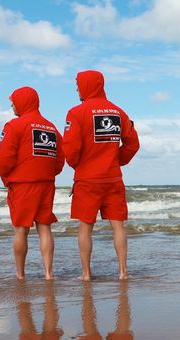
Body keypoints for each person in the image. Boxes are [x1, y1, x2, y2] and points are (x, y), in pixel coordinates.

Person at [63, 70, 139, 281]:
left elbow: (70, 149)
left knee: (85, 227)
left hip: (87, 180)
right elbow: (133, 143)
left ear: (86, 85)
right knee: (118, 226)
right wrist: (117, 160)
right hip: (113, 178)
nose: (77, 89)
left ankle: (86, 274)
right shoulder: (118, 112)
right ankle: (123, 272)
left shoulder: (76, 113)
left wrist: (77, 165)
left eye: (78, 85)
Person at [0, 86, 65, 280]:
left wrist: (5, 178)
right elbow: (60, 158)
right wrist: (49, 173)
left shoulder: (14, 126)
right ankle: (48, 273)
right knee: (45, 227)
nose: (12, 107)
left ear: (22, 102)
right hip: (46, 184)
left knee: (21, 229)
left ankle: (20, 274)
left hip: (23, 184)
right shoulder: (51, 127)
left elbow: (4, 158)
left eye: (13, 103)